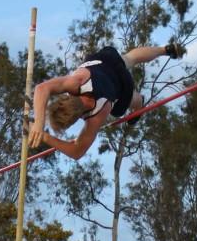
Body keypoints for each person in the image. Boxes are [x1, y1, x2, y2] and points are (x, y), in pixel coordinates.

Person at [27, 43, 184, 160]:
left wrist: (46, 138)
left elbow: (77, 152)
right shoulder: (75, 83)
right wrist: (39, 123)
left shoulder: (96, 116)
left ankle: (139, 104)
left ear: (73, 121)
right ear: (64, 99)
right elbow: (42, 88)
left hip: (120, 85)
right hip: (105, 62)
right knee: (130, 58)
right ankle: (165, 50)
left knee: (132, 101)